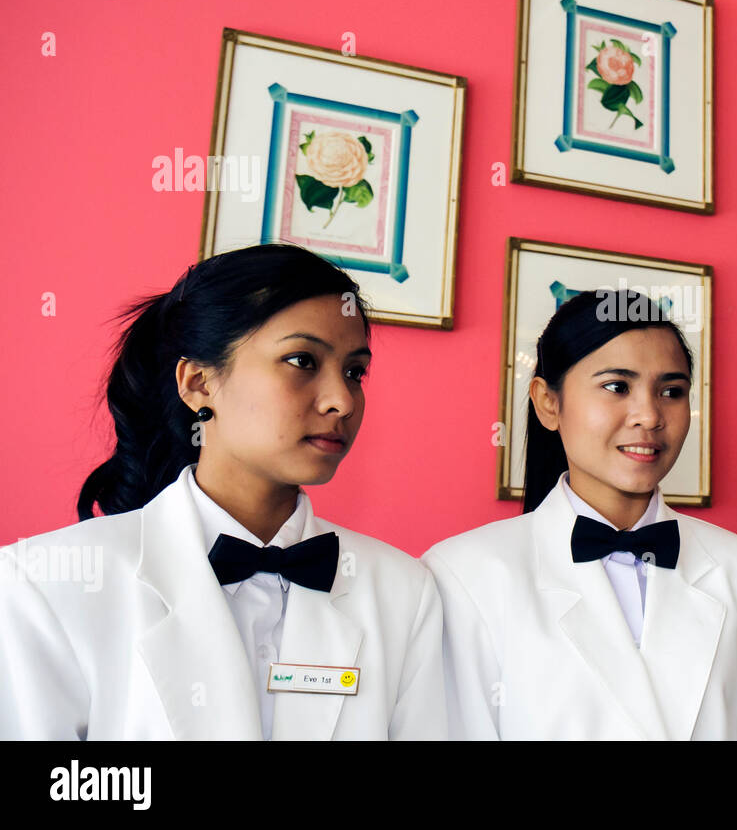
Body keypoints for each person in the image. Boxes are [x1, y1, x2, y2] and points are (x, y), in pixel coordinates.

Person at [0, 243, 446, 739]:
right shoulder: (43, 583)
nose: (342, 400)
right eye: (302, 360)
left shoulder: (404, 592)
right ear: (198, 383)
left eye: (354, 371)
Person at [423, 289, 737, 739]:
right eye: (616, 387)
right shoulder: (464, 574)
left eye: (671, 391)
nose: (649, 415)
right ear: (548, 401)